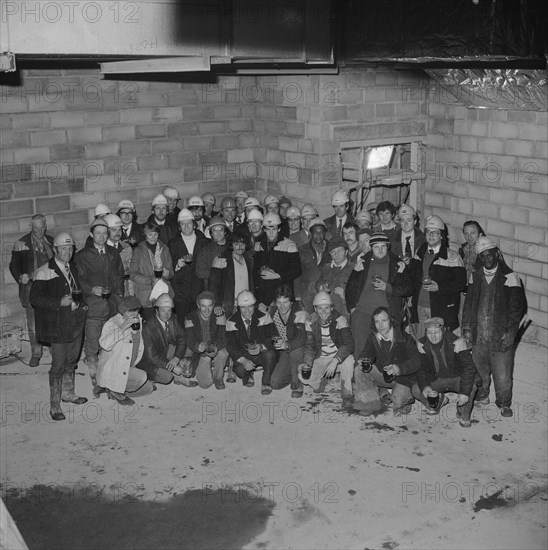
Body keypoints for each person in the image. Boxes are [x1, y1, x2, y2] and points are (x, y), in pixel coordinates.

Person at [462, 236, 526, 417]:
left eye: (490, 255)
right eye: (483, 256)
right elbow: (468, 304)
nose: (487, 259)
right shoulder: (475, 276)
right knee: (479, 368)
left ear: (497, 254)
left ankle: (504, 402)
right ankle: (482, 395)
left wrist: (510, 333)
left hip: (500, 334)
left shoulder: (510, 277)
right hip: (479, 332)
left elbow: (517, 310)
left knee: (502, 372)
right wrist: (466, 329)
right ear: (479, 257)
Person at [30, 233, 87, 421]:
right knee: (58, 364)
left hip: (76, 321)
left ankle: (68, 393)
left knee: (72, 359)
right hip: (58, 324)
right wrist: (59, 301)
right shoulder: (44, 271)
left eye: (70, 248)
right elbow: (35, 299)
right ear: (55, 250)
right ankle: (55, 405)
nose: (67, 251)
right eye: (63, 248)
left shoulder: (74, 268)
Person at [346, 232, 413, 358]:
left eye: (383, 246)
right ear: (371, 247)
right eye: (376, 246)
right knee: (359, 348)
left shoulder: (397, 264)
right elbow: (351, 286)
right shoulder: (363, 262)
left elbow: (409, 289)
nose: (380, 250)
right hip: (363, 311)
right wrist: (352, 309)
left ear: (388, 246)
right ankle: (359, 372)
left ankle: (383, 375)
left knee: (384, 350)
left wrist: (387, 287)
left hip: (387, 313)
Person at [75, 218, 124, 375]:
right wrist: (91, 289)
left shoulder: (113, 253)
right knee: (93, 333)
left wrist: (120, 294)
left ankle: (109, 362)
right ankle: (92, 361)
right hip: (94, 301)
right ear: (91, 234)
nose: (102, 237)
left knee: (112, 332)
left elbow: (119, 275)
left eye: (105, 233)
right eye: (98, 233)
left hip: (112, 299)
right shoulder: (82, 256)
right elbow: (79, 279)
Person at [353, 307, 420, 417]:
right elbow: (367, 352)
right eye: (377, 322)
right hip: (383, 374)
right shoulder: (373, 337)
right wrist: (365, 359)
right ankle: (368, 403)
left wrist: (398, 368)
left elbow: (416, 361)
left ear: (391, 321)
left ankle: (405, 400)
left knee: (397, 401)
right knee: (358, 370)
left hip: (403, 379)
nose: (380, 325)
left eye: (384, 321)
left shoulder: (405, 338)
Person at [412, 317, 478, 426]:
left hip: (457, 377)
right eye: (429, 333)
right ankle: (437, 402)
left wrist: (464, 393)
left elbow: (468, 368)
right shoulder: (422, 344)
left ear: (443, 330)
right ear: (425, 333)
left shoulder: (457, 342)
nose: (433, 336)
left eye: (436, 332)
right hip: (437, 378)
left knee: (471, 387)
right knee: (416, 389)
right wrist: (425, 387)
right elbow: (421, 369)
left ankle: (463, 412)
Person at [410, 215, 467, 338]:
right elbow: (412, 276)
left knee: (439, 344)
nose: (431, 236)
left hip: (439, 309)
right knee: (421, 343)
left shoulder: (452, 256)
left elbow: (461, 282)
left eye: (435, 233)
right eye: (428, 232)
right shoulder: (418, 253)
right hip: (419, 306)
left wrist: (440, 287)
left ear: (441, 235)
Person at [9, 214, 54, 367]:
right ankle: (36, 352)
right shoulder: (21, 243)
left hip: (50, 288)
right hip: (30, 289)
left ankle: (56, 350)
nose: (40, 231)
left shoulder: (52, 242)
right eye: (36, 228)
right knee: (34, 323)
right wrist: (19, 276)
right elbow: (13, 265)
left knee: (52, 320)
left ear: (45, 227)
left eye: (42, 228)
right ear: (30, 227)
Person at [298, 291, 354, 406]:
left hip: (337, 358)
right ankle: (322, 380)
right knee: (302, 375)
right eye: (320, 308)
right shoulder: (310, 321)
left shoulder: (340, 320)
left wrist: (335, 360)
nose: (323, 312)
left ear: (332, 308)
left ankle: (347, 394)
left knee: (349, 360)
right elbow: (310, 346)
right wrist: (307, 363)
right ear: (315, 308)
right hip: (322, 357)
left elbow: (349, 345)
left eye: (327, 308)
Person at [95, 296, 154, 405]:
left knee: (148, 389)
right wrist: (123, 327)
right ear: (122, 311)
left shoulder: (138, 320)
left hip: (128, 366)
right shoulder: (112, 323)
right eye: (130, 311)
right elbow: (105, 344)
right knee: (142, 377)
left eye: (136, 310)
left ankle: (109, 388)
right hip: (114, 368)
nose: (134, 314)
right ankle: (114, 390)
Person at [226, 290, 277, 394]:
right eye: (243, 307)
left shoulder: (264, 316)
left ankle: (266, 382)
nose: (247, 311)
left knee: (271, 354)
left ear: (255, 305)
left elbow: (273, 337)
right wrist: (243, 360)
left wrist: (262, 346)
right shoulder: (231, 321)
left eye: (250, 306)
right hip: (244, 354)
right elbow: (230, 346)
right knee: (240, 370)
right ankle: (248, 376)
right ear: (238, 307)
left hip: (261, 353)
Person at [138, 293, 190, 386]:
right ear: (156, 311)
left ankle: (178, 364)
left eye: (169, 311)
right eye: (163, 311)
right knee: (167, 377)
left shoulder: (172, 319)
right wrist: (170, 366)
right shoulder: (148, 327)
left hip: (165, 350)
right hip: (149, 360)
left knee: (189, 349)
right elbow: (151, 356)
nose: (166, 314)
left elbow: (182, 337)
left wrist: (176, 358)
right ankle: (146, 379)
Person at [253, 213, 302, 307]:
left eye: (274, 229)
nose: (271, 232)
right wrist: (258, 299)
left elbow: (297, 271)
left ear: (279, 229)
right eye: (268, 229)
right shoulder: (259, 245)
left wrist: (277, 275)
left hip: (282, 297)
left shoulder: (289, 245)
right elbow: (255, 272)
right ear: (264, 229)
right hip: (264, 298)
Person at [168, 208, 207, 325]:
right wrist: (177, 265)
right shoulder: (173, 243)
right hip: (181, 291)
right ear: (179, 226)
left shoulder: (203, 240)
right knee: (182, 322)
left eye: (189, 223)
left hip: (198, 288)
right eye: (183, 224)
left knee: (198, 322)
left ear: (194, 224)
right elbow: (168, 265)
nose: (186, 226)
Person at [184, 291, 229, 390]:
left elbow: (223, 338)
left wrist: (214, 347)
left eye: (210, 306)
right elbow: (190, 340)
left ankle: (218, 377)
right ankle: (207, 364)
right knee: (205, 384)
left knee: (223, 353)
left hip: (215, 347)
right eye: (203, 306)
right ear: (198, 305)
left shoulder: (219, 315)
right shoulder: (189, 318)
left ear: (213, 305)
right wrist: (197, 346)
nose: (207, 310)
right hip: (201, 352)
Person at [130, 222, 174, 321]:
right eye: (150, 234)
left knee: (165, 322)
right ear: (145, 234)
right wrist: (149, 280)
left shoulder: (165, 248)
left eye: (155, 234)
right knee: (150, 324)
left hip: (163, 293)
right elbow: (132, 274)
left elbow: (171, 272)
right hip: (146, 295)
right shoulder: (138, 250)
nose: (153, 237)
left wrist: (167, 274)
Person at [269, 285, 308, 398]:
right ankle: (295, 372)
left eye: (285, 302)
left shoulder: (299, 312)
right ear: (275, 302)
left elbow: (302, 339)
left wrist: (287, 345)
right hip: (285, 350)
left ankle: (297, 384)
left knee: (295, 352)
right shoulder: (272, 312)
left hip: (300, 348)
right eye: (279, 302)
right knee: (275, 383)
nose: (282, 306)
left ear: (291, 302)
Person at [209, 230, 254, 317]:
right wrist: (217, 304)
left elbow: (252, 283)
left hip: (247, 304)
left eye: (243, 243)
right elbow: (213, 284)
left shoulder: (249, 260)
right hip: (230, 305)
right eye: (236, 243)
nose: (240, 246)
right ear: (231, 244)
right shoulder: (222, 259)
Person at [295, 218, 330, 312]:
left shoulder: (331, 248)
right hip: (307, 296)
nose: (319, 235)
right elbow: (297, 275)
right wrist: (298, 297)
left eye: (321, 232)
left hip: (326, 294)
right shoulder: (302, 250)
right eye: (315, 232)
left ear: (325, 233)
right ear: (310, 233)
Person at [318, 237, 354, 319]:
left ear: (346, 252)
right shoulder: (325, 268)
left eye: (340, 251)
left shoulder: (354, 270)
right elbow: (316, 285)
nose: (336, 254)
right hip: (325, 315)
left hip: (345, 315)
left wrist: (345, 295)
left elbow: (358, 297)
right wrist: (321, 288)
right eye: (333, 251)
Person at [195, 216, 229, 288]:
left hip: (229, 288)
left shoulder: (231, 247)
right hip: (212, 288)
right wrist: (214, 270)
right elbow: (199, 271)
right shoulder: (205, 251)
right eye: (215, 230)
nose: (218, 233)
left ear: (225, 231)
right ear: (211, 233)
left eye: (221, 229)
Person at [104, 213, 133, 296]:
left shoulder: (126, 248)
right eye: (114, 230)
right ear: (107, 230)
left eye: (119, 229)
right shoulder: (102, 250)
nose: (118, 233)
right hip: (109, 291)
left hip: (125, 290)